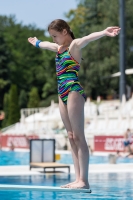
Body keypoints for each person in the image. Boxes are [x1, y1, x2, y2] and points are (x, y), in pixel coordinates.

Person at [28, 19, 120, 189]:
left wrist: (104, 32)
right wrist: (37, 43)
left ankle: (84, 181)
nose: (54, 39)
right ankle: (78, 179)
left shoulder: (74, 46)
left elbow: (88, 38)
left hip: (72, 90)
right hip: (61, 92)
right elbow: (46, 45)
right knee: (70, 136)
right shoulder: (58, 48)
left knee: (79, 136)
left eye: (55, 36)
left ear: (65, 32)